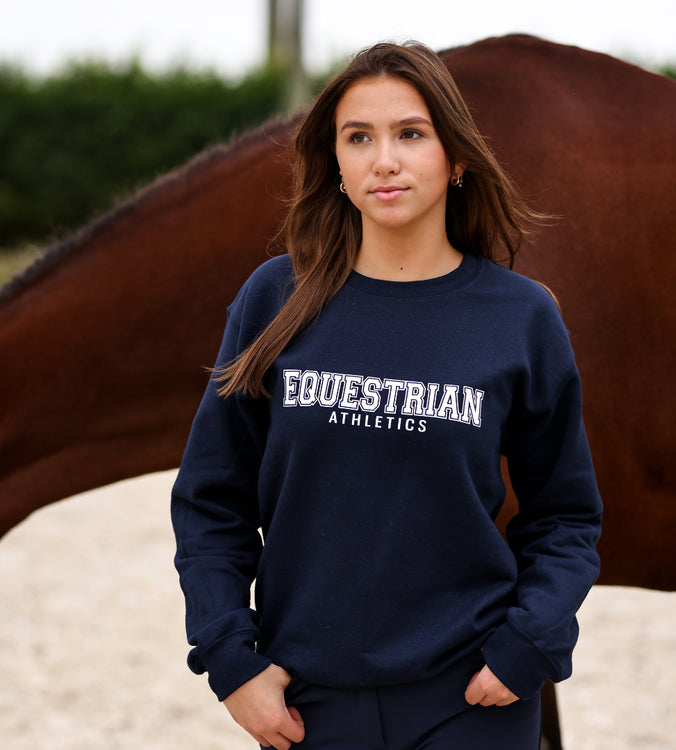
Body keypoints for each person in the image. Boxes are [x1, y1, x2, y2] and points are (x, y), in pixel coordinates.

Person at [171, 41, 602, 750]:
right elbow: (211, 500)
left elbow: (565, 514)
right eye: (359, 138)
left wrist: (529, 643)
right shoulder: (274, 299)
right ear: (337, 164)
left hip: (471, 699)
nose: (385, 160)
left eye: (411, 133)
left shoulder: (521, 316)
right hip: (306, 702)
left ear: (455, 158)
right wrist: (229, 657)